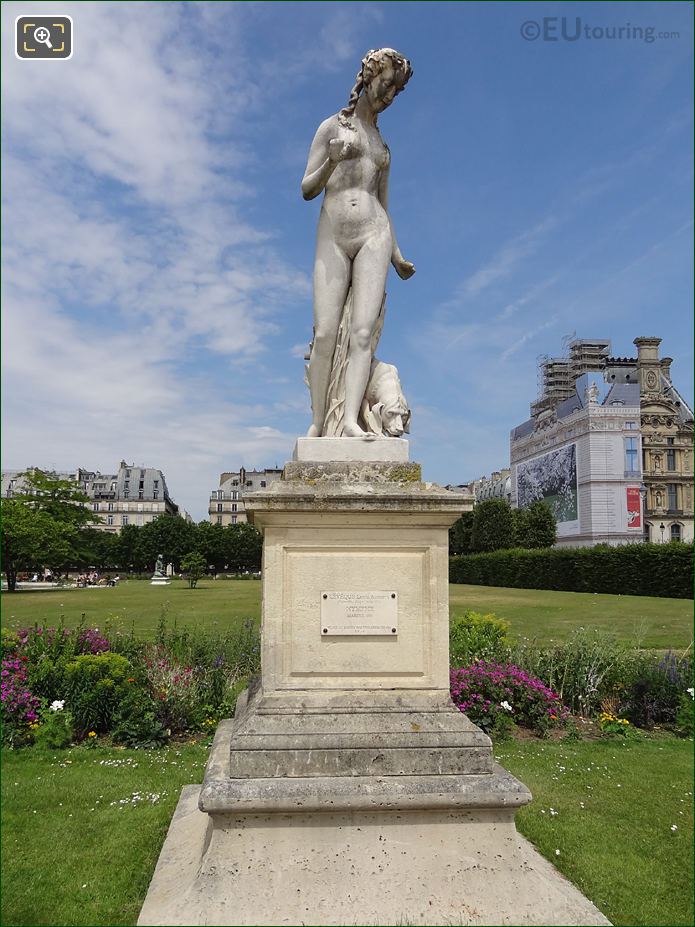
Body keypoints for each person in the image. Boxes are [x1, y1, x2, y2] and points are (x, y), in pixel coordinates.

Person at [302, 48, 415, 437]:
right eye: (386, 86)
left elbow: (384, 205)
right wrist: (331, 161)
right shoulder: (331, 127)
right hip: (333, 231)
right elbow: (306, 189)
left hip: (375, 233)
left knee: (363, 333)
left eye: (395, 93)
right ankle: (319, 421)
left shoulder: (383, 148)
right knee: (325, 333)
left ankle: (350, 420)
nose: (388, 97)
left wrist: (397, 256)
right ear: (368, 78)